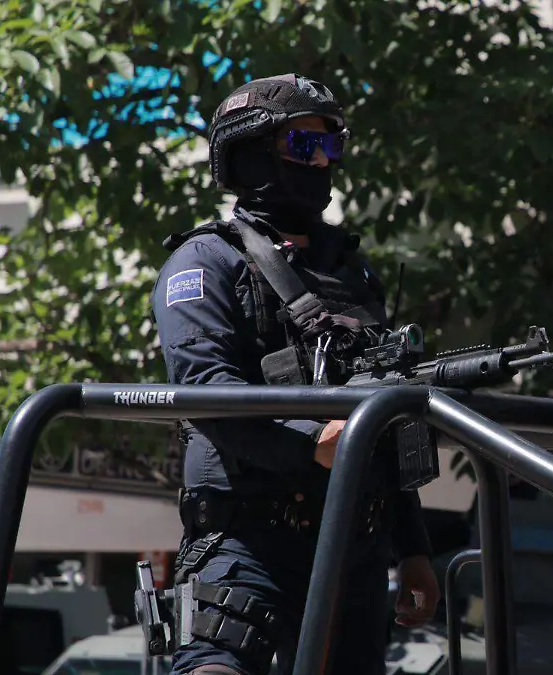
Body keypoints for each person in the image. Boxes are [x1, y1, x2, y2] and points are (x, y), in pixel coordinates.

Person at [151, 73, 440, 675]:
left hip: (356, 549)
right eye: (305, 145)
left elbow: (387, 415)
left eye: (332, 145)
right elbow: (205, 390)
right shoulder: (205, 261)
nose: (323, 161)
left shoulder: (352, 272)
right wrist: (315, 441)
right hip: (248, 542)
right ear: (250, 153)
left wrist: (413, 547)